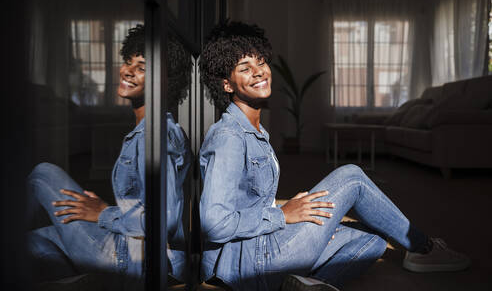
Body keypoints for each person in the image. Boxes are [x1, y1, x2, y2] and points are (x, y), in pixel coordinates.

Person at [198, 21, 470, 291]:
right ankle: (426, 248)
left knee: (373, 239)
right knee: (351, 177)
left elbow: (247, 202)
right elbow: (214, 223)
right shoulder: (229, 137)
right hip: (250, 263)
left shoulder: (254, 130)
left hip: (265, 249)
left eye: (261, 62)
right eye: (245, 69)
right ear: (226, 85)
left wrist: (282, 211)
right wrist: (282, 215)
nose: (259, 73)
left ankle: (311, 286)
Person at [27, 25, 191, 286]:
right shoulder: (154, 128)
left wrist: (103, 213)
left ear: (164, 80)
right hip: (132, 250)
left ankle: (102, 281)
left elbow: (166, 219)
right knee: (34, 240)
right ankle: (85, 282)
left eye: (141, 67)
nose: (127, 70)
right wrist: (109, 210)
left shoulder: (154, 135)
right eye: (127, 62)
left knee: (42, 174)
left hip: (133, 258)